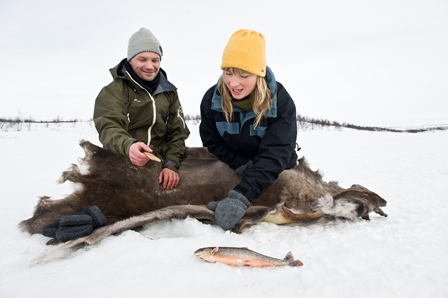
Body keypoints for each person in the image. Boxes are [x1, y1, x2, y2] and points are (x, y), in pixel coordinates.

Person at [199, 29, 299, 231]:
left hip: (274, 163)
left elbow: (276, 152)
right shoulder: (212, 100)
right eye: (228, 73)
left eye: (243, 74)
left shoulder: (281, 101)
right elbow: (212, 142)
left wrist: (241, 196)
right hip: (234, 161)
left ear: (258, 73)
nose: (233, 83)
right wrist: (241, 163)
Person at [94, 27, 190, 190]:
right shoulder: (114, 91)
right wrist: (129, 146)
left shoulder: (169, 92)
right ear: (130, 59)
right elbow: (109, 127)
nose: (150, 66)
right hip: (123, 159)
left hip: (159, 163)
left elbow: (177, 132)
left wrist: (170, 165)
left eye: (155, 60)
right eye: (142, 59)